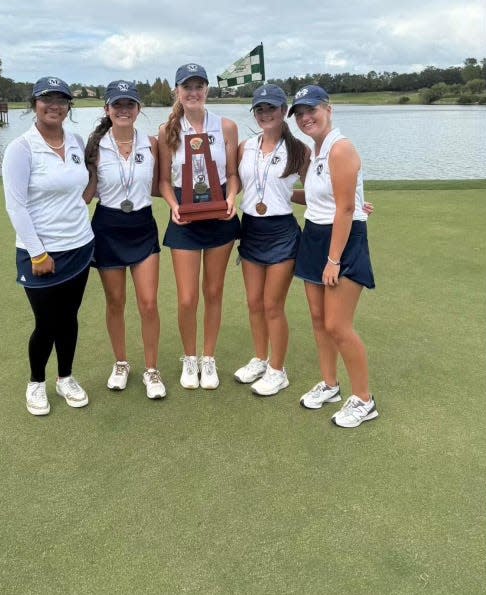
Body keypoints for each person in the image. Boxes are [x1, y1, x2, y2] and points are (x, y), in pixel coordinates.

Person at [2, 77, 94, 416]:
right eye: (46, 99)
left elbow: (80, 187)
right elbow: (16, 206)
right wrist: (38, 253)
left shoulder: (76, 141)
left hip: (80, 246)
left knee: (69, 318)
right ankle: (36, 382)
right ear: (34, 104)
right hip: (39, 253)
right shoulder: (21, 148)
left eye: (61, 99)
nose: (54, 105)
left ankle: (65, 377)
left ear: (69, 106)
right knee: (47, 323)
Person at [289, 85, 378, 428]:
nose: (305, 118)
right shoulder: (316, 152)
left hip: (341, 243)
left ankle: (364, 400)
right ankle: (329, 385)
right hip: (314, 235)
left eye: (311, 110)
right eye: (299, 113)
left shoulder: (341, 149)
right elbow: (318, 200)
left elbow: (344, 209)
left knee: (337, 325)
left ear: (329, 109)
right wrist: (273, 193)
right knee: (317, 318)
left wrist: (334, 259)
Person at [158, 63, 241, 389]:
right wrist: (173, 204)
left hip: (220, 213)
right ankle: (189, 359)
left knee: (214, 291)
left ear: (207, 89)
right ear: (177, 91)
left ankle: (209, 359)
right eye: (187, 87)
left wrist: (233, 196)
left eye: (199, 86)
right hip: (185, 215)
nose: (193, 93)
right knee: (187, 298)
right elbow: (164, 180)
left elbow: (232, 174)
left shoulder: (227, 127)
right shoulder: (168, 131)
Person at [84, 81, 165, 400]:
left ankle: (152, 369)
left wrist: (198, 204)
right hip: (107, 227)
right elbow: (89, 192)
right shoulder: (94, 146)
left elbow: (161, 186)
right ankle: (121, 363)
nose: (123, 110)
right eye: (117, 105)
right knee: (115, 302)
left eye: (129, 104)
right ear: (107, 109)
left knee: (148, 303)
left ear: (138, 109)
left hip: (143, 226)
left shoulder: (152, 144)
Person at [234, 84, 310, 396]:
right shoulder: (244, 146)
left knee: (272, 305)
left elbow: (317, 191)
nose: (266, 114)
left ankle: (278, 370)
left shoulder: (300, 150)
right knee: (254, 303)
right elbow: (236, 185)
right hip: (251, 228)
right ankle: (261, 358)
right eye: (260, 109)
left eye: (272, 108)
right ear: (254, 113)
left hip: (282, 233)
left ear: (284, 112)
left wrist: (351, 205)